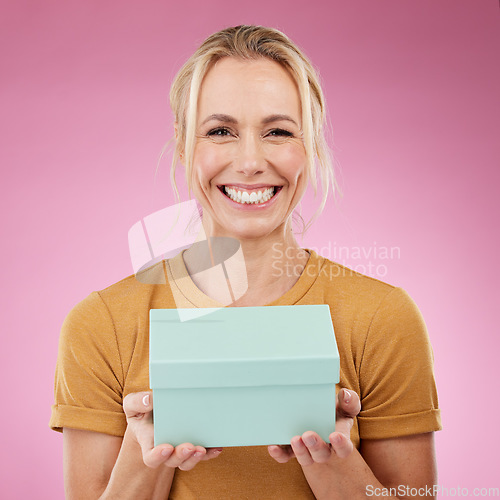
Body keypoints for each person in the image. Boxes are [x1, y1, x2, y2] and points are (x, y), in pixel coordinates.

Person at [50, 25, 442, 499]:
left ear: (310, 147)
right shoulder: (102, 325)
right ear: (183, 146)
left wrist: (334, 463)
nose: (251, 160)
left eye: (278, 131)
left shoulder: (382, 319)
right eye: (220, 131)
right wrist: (146, 456)